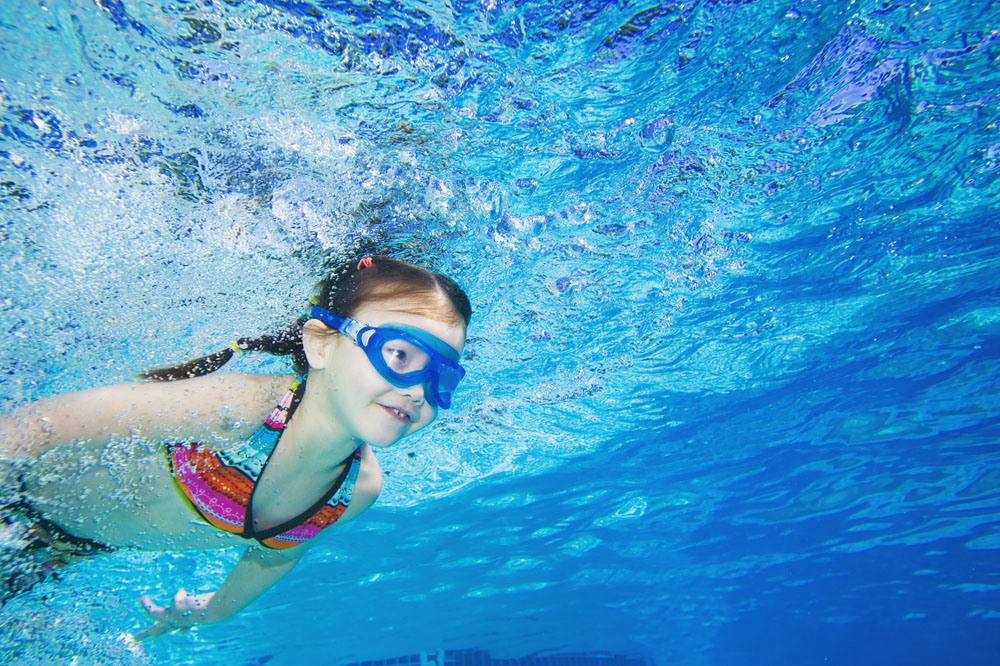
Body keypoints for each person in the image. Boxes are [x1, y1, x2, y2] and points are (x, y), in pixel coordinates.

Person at [0, 255, 471, 640]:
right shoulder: (238, 410)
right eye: (399, 354)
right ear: (320, 344)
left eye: (441, 375)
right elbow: (37, 428)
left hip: (59, 557)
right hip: (13, 503)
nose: (418, 390)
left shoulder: (358, 489)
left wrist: (211, 612)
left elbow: (276, 555)